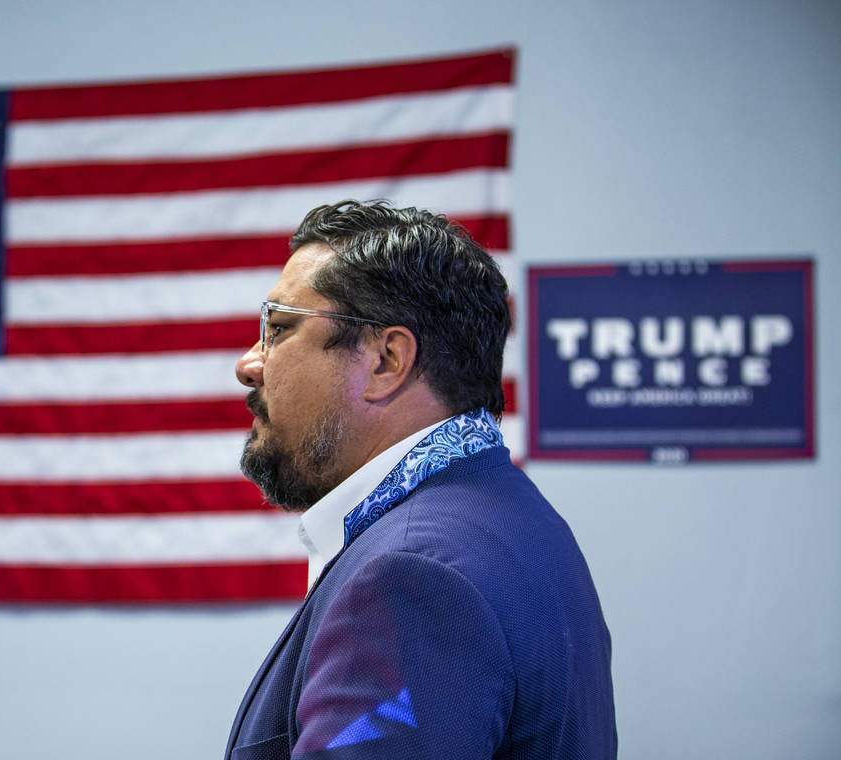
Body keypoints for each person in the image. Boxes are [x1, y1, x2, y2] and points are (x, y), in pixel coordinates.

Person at [225, 200, 616, 759]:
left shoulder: (413, 577)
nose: (249, 363)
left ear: (386, 360)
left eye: (280, 328)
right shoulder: (514, 517)